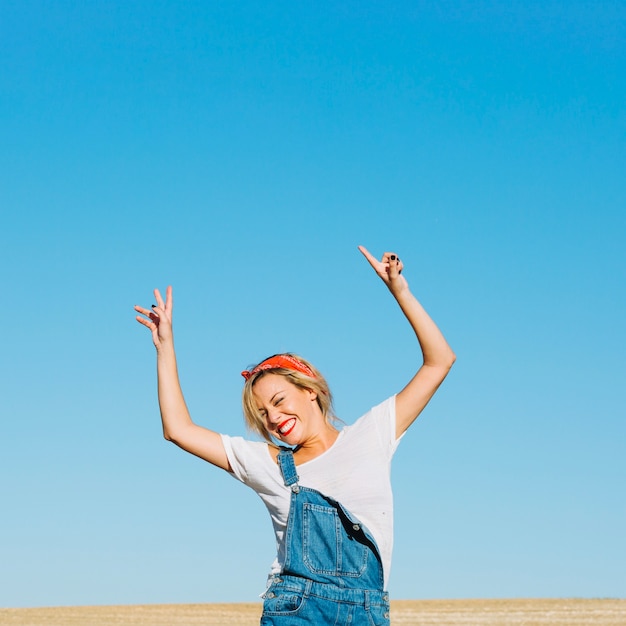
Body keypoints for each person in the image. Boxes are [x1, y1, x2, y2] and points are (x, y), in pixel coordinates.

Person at [134, 246, 455, 625]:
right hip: (297, 613)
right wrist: (165, 347)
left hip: (366, 613)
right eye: (263, 413)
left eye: (279, 400)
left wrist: (399, 291)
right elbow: (178, 429)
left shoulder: (372, 435)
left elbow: (440, 360)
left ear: (310, 389)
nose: (273, 417)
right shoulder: (269, 464)